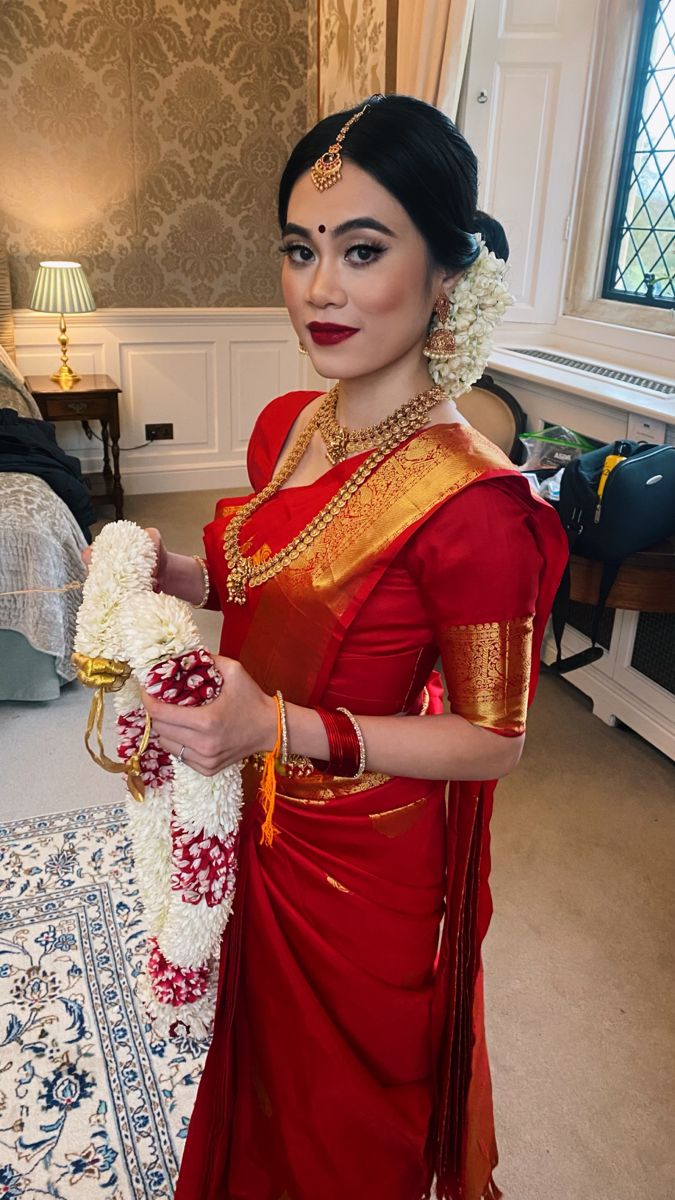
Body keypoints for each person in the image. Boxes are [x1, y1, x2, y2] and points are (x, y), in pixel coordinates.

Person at [139, 95, 567, 1200]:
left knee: (342, 1128)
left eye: (362, 250)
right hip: (253, 813)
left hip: (360, 867)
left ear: (444, 276)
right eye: (300, 249)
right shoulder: (295, 422)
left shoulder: (478, 510)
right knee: (258, 1076)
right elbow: (272, 573)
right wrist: (180, 579)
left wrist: (272, 725)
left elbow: (494, 742)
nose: (319, 288)